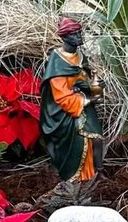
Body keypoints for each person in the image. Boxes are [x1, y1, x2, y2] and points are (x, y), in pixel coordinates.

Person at [39, 18, 104, 182]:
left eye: (79, 32)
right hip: (64, 112)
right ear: (65, 37)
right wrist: (88, 100)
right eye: (75, 34)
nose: (79, 36)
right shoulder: (57, 61)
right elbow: (61, 96)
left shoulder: (80, 56)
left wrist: (94, 85)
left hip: (82, 104)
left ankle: (99, 173)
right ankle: (77, 176)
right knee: (83, 139)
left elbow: (85, 78)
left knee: (97, 139)